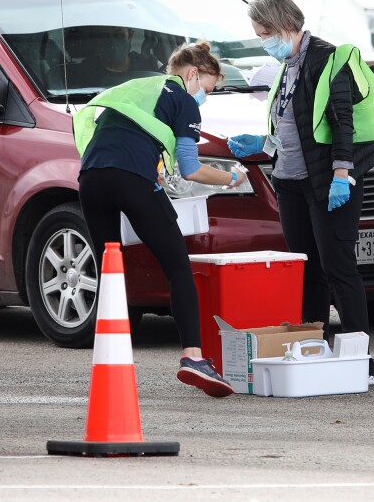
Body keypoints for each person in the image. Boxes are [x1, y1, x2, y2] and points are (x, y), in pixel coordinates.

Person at [73, 40, 247, 396]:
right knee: (178, 268)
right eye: (208, 89)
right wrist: (231, 178)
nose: (205, 99)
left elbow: (122, 138)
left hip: (90, 179)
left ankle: (110, 359)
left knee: (110, 268)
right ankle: (194, 357)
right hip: (130, 179)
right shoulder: (182, 98)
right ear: (194, 74)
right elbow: (190, 169)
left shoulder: (139, 89)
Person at [228, 0, 374, 383]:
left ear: (284, 25)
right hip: (291, 181)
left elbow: (342, 122)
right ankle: (315, 351)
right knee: (308, 270)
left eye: (265, 32)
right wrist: (263, 144)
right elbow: (293, 124)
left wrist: (342, 174)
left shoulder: (327, 60)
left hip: (328, 181)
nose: (264, 41)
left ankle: (360, 361)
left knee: (339, 268)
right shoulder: (287, 65)